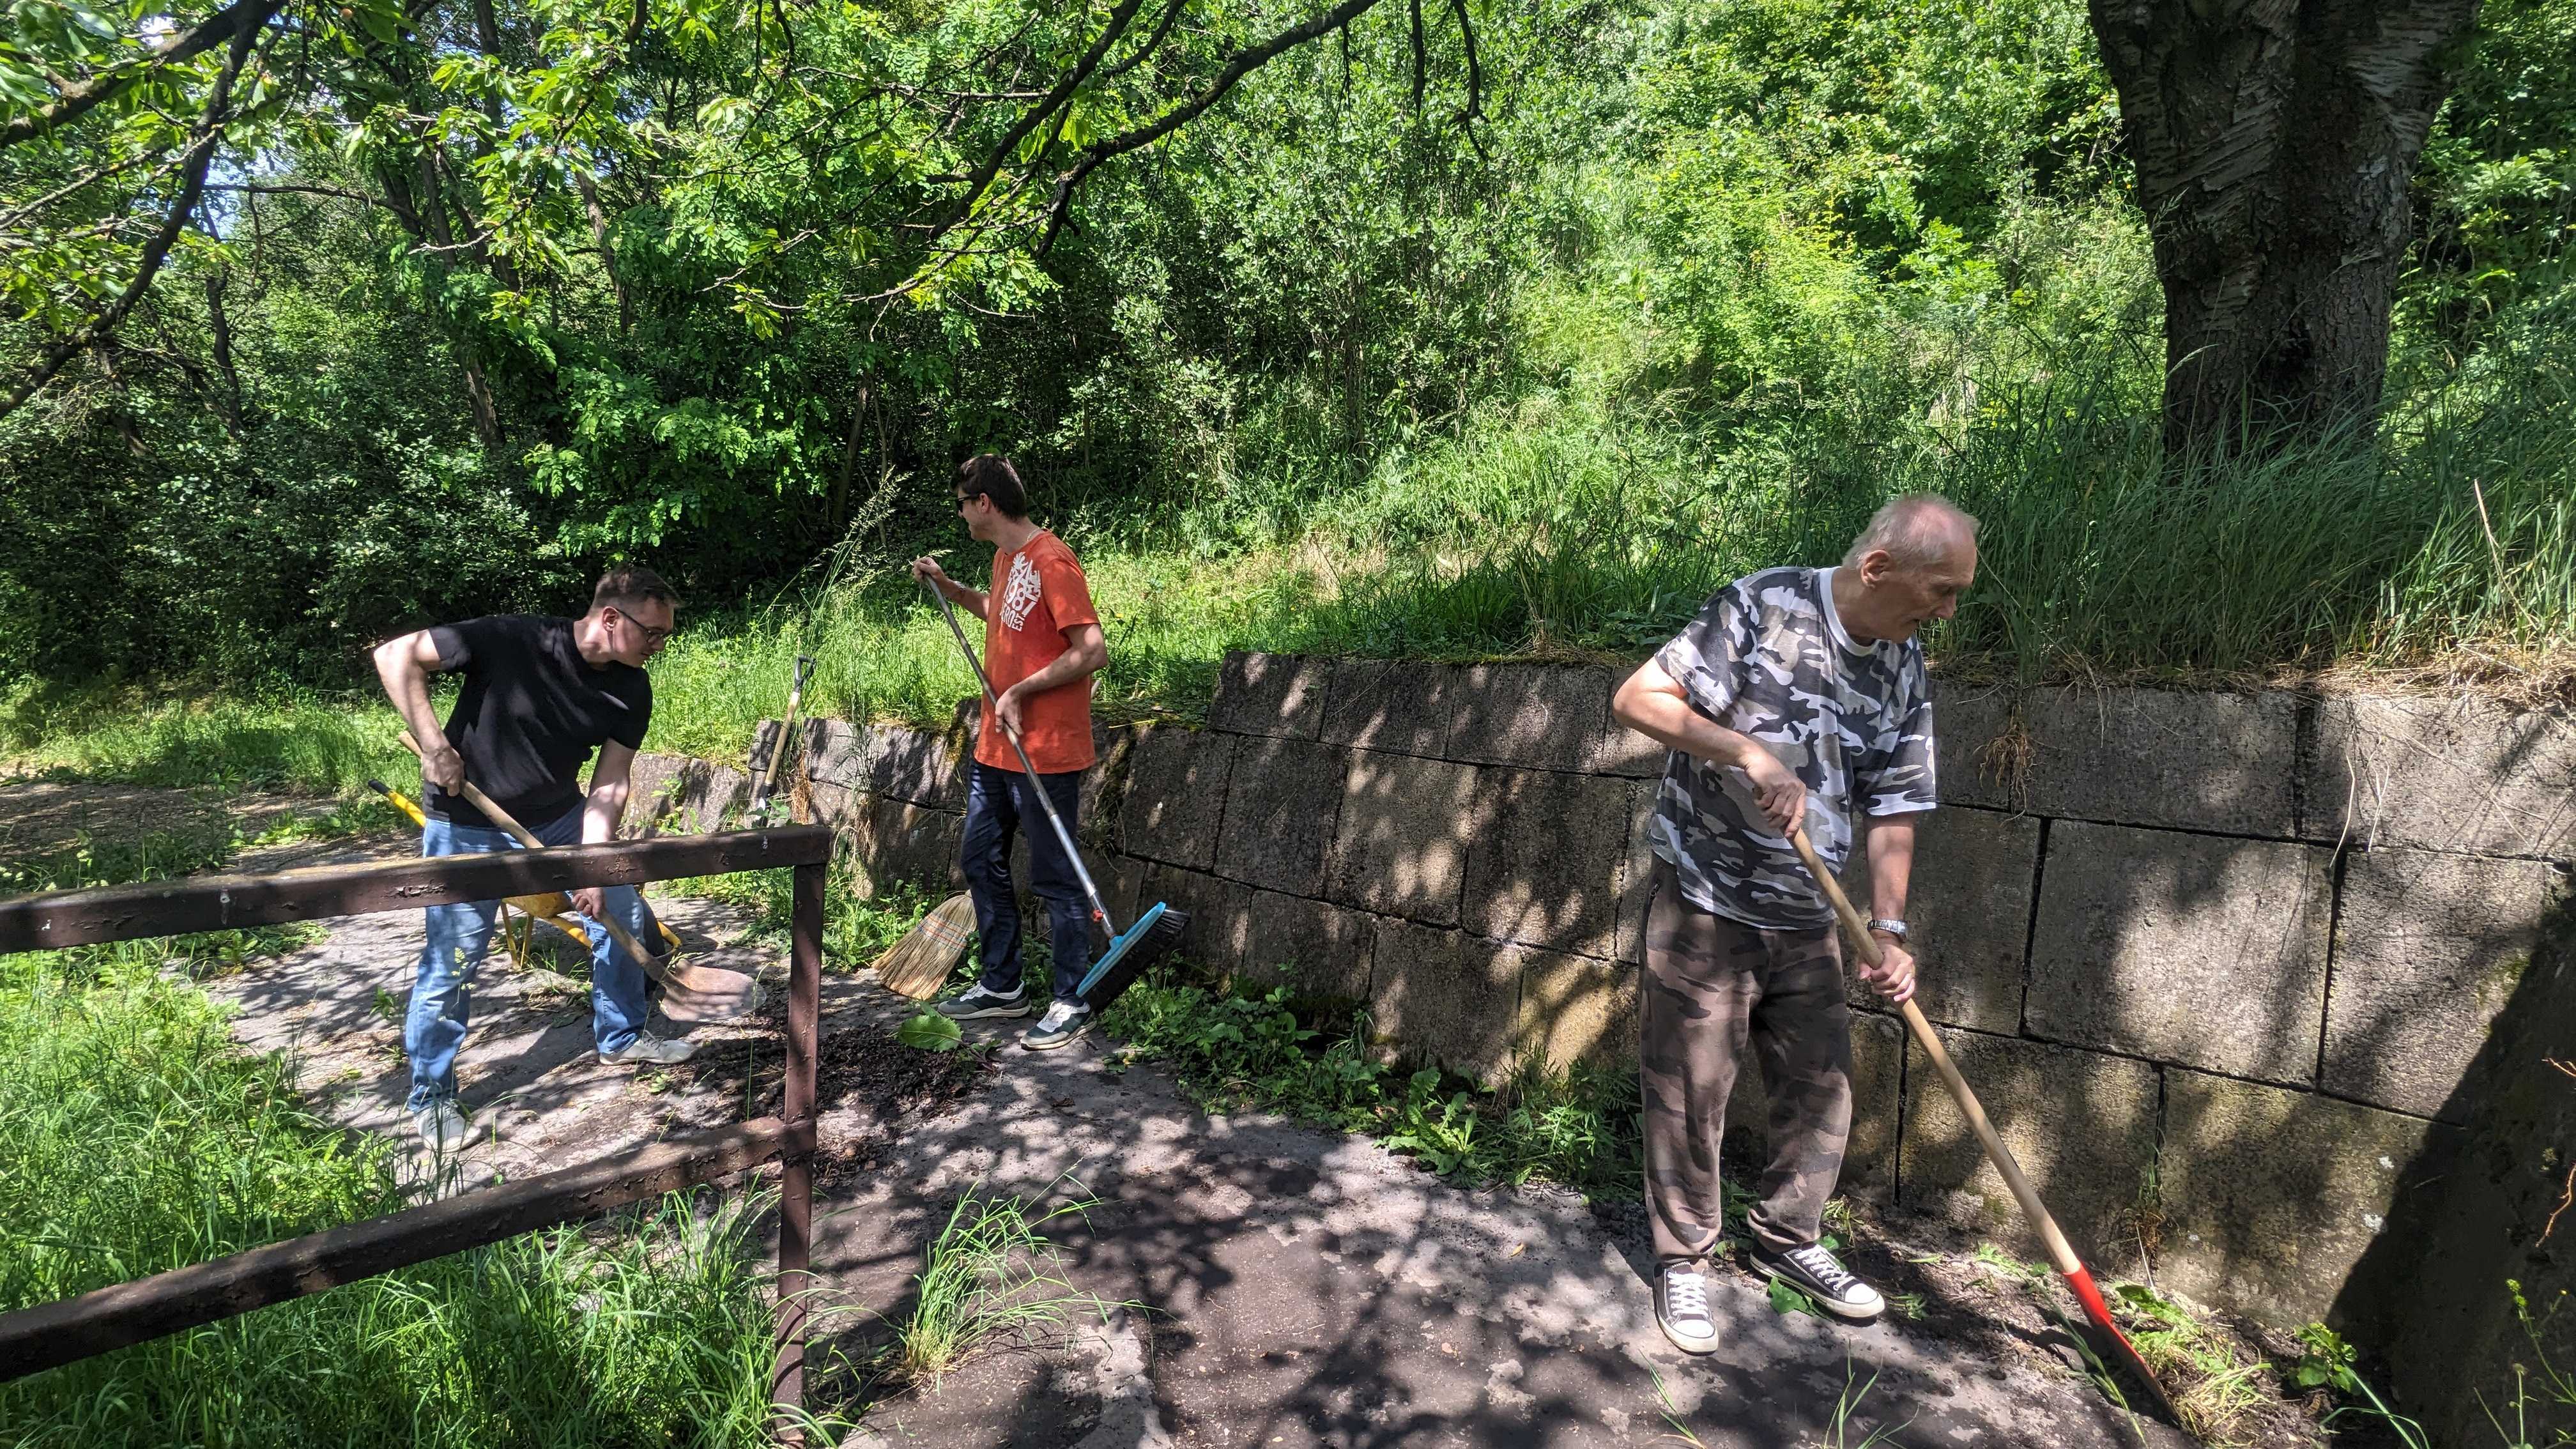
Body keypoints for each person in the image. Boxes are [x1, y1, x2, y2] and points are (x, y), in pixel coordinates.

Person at [1607, 494, 1977, 1354]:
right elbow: (1638, 697)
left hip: (1813, 916)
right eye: (1943, 588)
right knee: (1690, 1090)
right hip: (1707, 898)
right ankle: (1686, 1259)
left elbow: (1894, 806)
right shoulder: (1763, 605)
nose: (1949, 610)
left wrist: (1887, 929)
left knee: (1821, 1090)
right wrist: (1743, 749)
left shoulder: (1903, 662)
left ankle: (1787, 1240)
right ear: (1880, 568)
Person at [373, 565, 702, 1151]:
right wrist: (433, 744)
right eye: (653, 633)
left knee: (622, 909)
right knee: (453, 960)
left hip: (559, 818)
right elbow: (395, 655)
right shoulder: (512, 638)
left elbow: (610, 784)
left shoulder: (631, 688)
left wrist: (593, 862)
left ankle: (621, 1036)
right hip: (466, 823)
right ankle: (431, 1095)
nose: (660, 645)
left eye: (664, 636)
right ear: (609, 618)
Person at [909, 456, 1109, 1051]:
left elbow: (1092, 650)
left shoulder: (1053, 559)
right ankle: (1003, 986)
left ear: (985, 503)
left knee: (1056, 877)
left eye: (963, 503)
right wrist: (950, 589)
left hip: (1044, 750)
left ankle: (1074, 998)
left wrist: (1021, 691)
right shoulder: (1006, 559)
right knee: (980, 860)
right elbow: (1008, 617)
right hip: (996, 748)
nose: (963, 513)